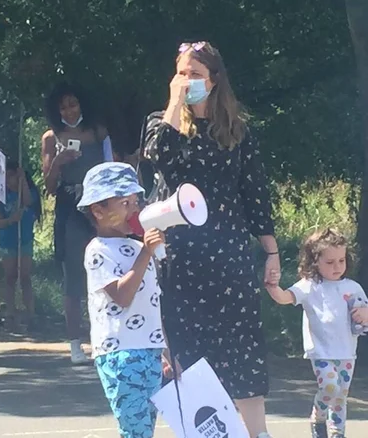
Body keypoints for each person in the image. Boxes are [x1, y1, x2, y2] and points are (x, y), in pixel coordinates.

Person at [141, 41, 279, 438]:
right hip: (179, 256)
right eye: (181, 73)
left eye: (195, 75)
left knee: (242, 349)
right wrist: (173, 104)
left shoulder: (236, 129)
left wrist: (270, 251)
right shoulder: (160, 122)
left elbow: (255, 193)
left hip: (229, 255)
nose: (186, 82)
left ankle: (258, 433)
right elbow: (156, 157)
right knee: (188, 350)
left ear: (214, 80)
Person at [77, 162, 176, 437]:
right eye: (124, 203)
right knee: (135, 430)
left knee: (144, 428)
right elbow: (122, 296)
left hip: (150, 350)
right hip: (120, 353)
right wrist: (145, 253)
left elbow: (152, 304)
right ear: (98, 210)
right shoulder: (98, 250)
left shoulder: (136, 245)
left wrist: (167, 351)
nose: (134, 209)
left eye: (135, 201)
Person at [265, 228, 368, 438]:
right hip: (320, 351)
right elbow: (285, 298)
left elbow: (364, 315)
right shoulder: (310, 286)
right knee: (330, 387)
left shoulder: (353, 287)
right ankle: (318, 416)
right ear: (315, 262)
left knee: (341, 395)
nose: (337, 266)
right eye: (330, 262)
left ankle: (337, 432)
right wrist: (273, 286)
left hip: (347, 351)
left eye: (341, 260)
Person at [41, 82, 114, 364]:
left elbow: (110, 168)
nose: (69, 111)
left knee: (106, 269)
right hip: (70, 206)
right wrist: (58, 162)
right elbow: (48, 185)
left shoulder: (98, 132)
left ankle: (103, 336)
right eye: (63, 107)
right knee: (73, 273)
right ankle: (75, 342)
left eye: (73, 104)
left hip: (100, 206)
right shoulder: (51, 137)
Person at [0, 161, 41, 330]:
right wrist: (11, 220)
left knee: (25, 277)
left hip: (25, 240)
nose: (8, 180)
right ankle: (10, 311)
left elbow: (29, 202)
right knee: (9, 277)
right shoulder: (1, 197)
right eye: (5, 177)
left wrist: (22, 180)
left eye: (11, 176)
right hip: (7, 241)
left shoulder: (27, 194)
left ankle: (30, 312)